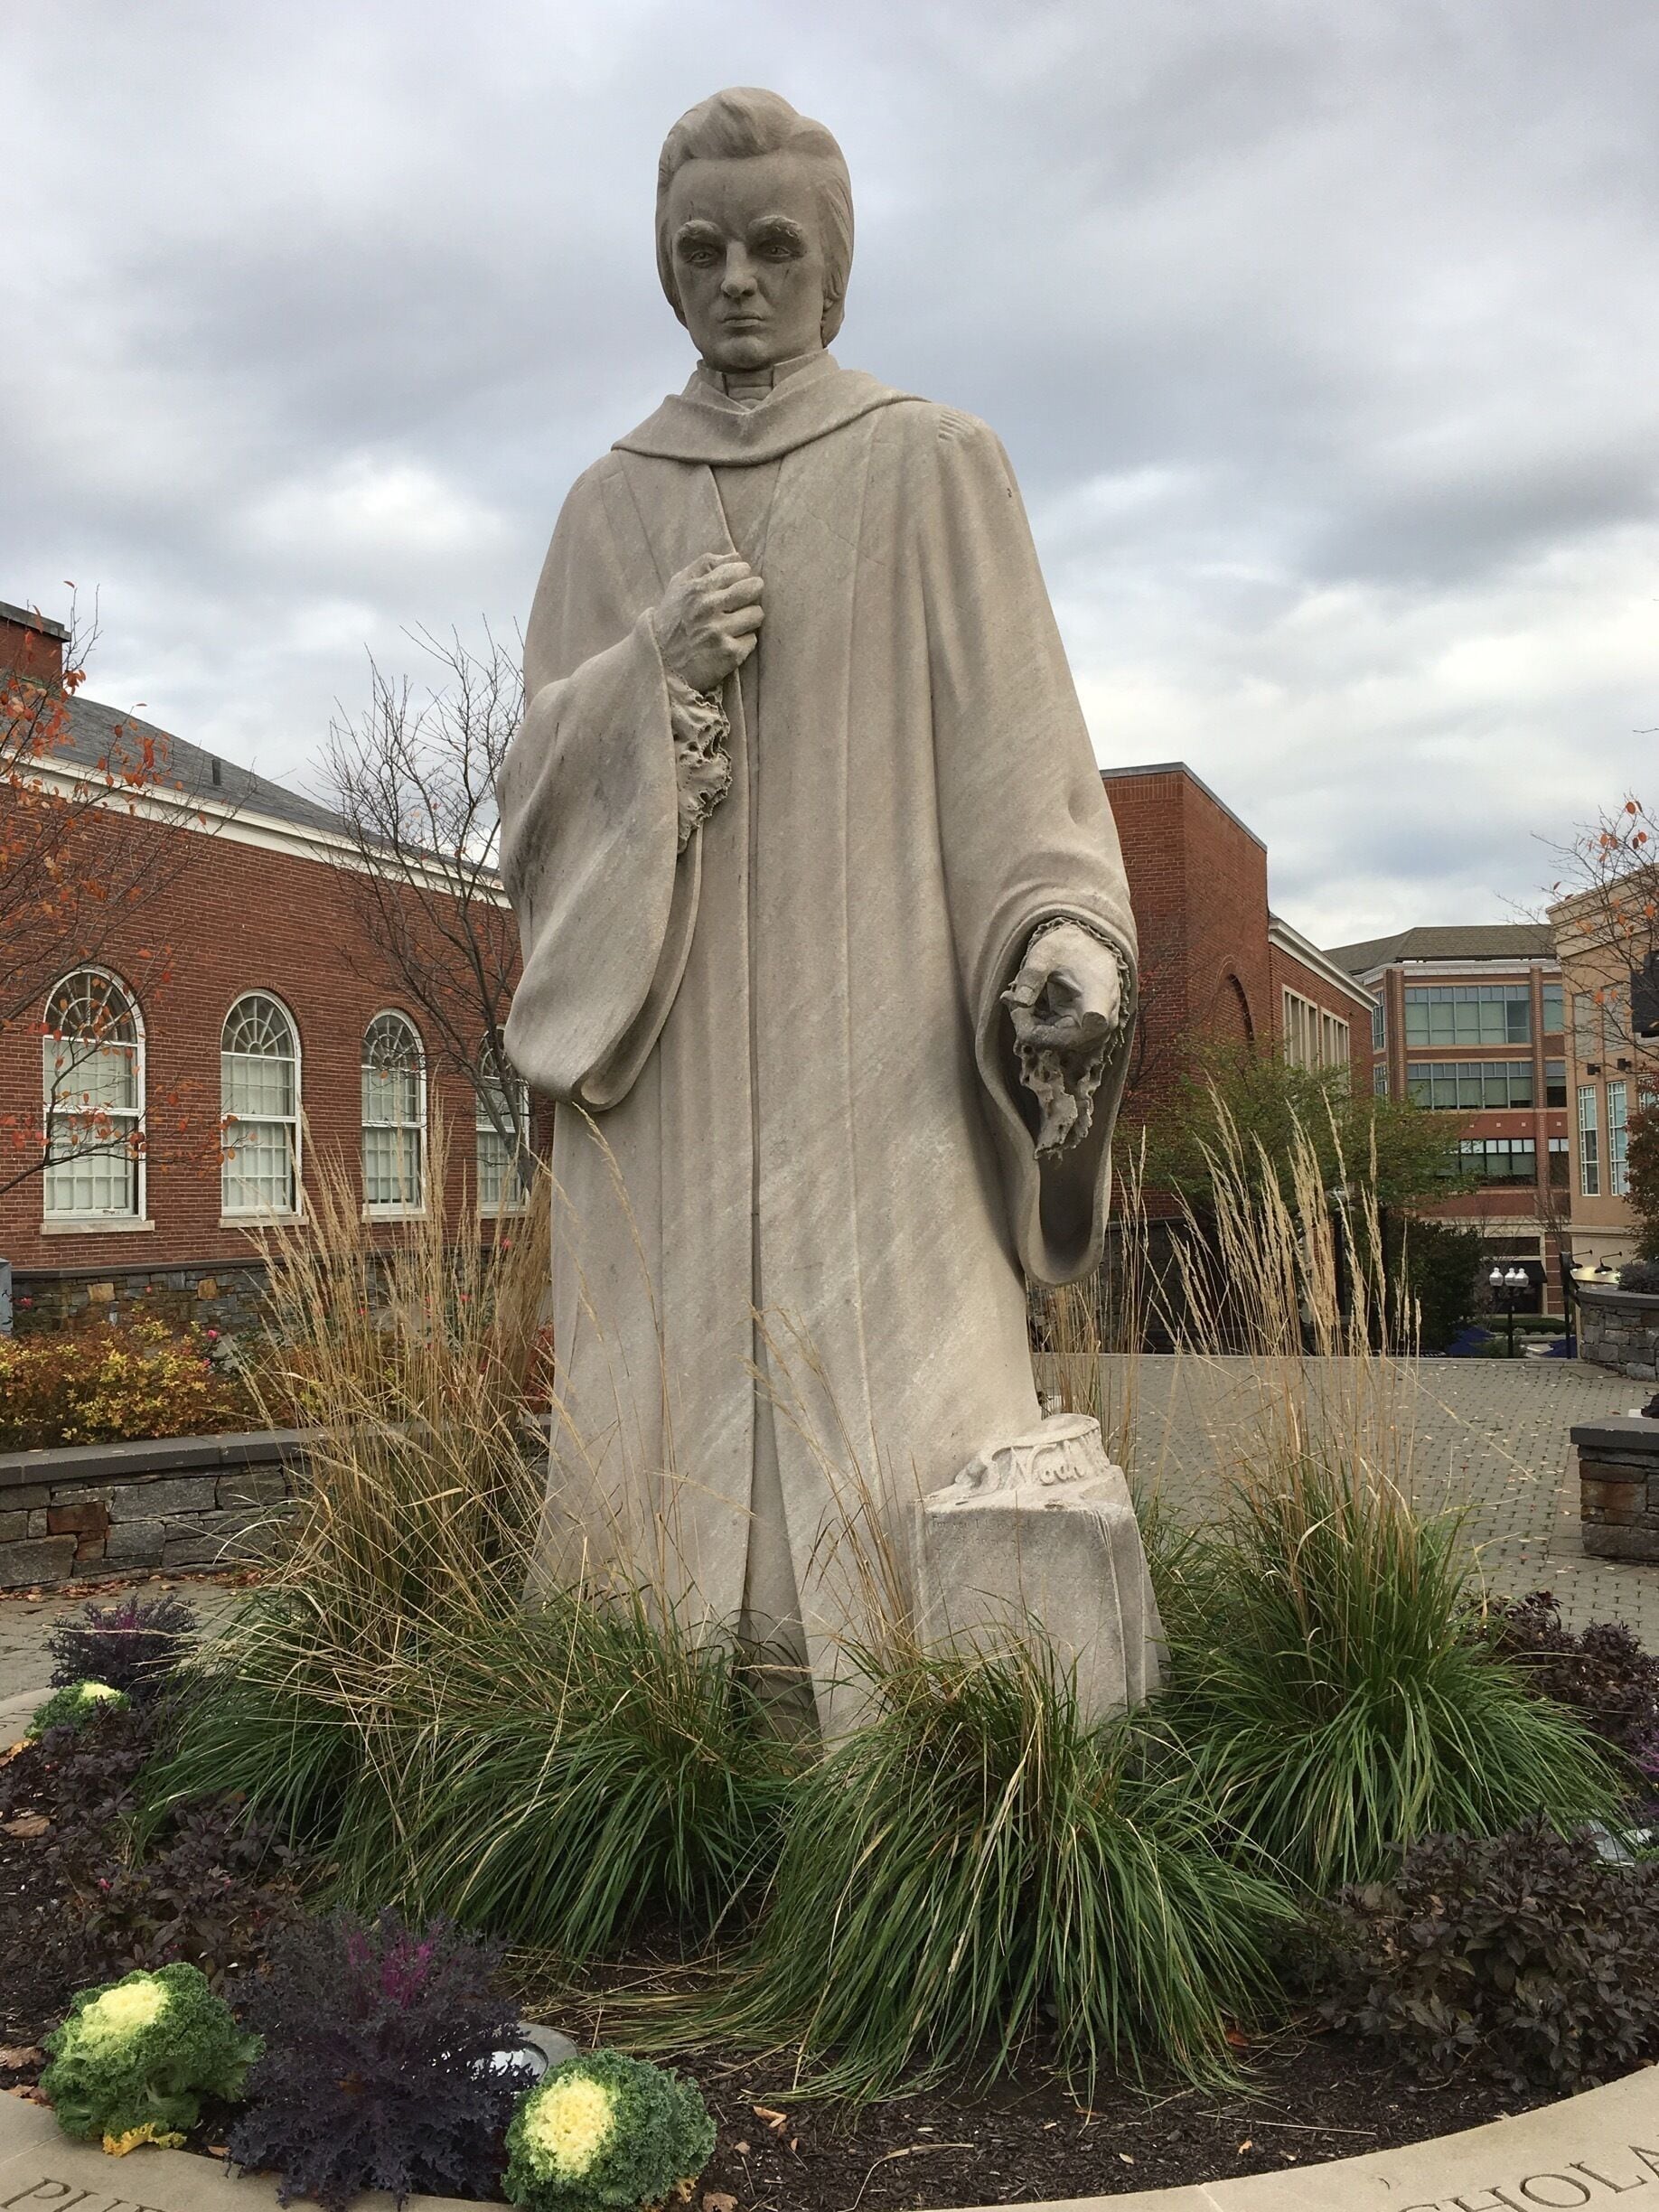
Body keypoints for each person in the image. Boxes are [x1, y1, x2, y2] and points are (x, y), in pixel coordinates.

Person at [497, 88, 1139, 1729]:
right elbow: (529, 813)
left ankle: (948, 1755)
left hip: (890, 1078)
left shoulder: (934, 469)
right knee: (659, 1484)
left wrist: (1064, 942)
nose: (736, 281)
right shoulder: (605, 507)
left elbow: (1028, 768)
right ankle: (642, 1755)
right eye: (699, 250)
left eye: (774, 247)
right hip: (676, 1089)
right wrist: (652, 673)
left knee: (913, 1442)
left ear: (835, 269)